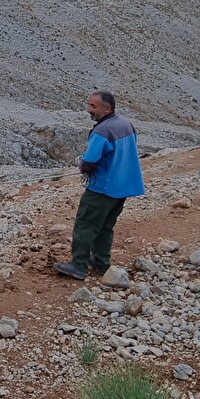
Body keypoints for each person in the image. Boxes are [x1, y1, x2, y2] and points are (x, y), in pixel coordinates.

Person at [54, 91, 145, 281]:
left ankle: (78, 266)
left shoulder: (102, 131)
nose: (89, 110)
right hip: (122, 188)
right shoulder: (126, 124)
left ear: (107, 108)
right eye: (89, 105)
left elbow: (89, 162)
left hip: (103, 188)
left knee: (85, 225)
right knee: (105, 226)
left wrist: (82, 166)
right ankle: (101, 263)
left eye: (93, 106)